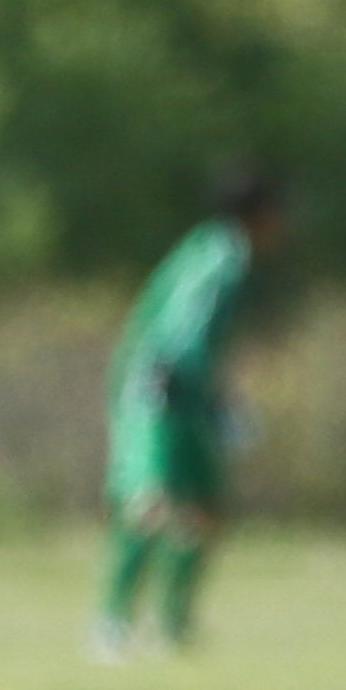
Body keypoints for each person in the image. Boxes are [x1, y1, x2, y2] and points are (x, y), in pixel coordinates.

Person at [97, 171, 283, 660]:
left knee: (203, 509)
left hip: (185, 391)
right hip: (159, 389)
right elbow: (186, 330)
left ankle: (173, 626)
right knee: (150, 503)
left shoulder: (208, 246)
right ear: (260, 214)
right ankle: (112, 625)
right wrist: (217, 403)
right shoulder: (222, 259)